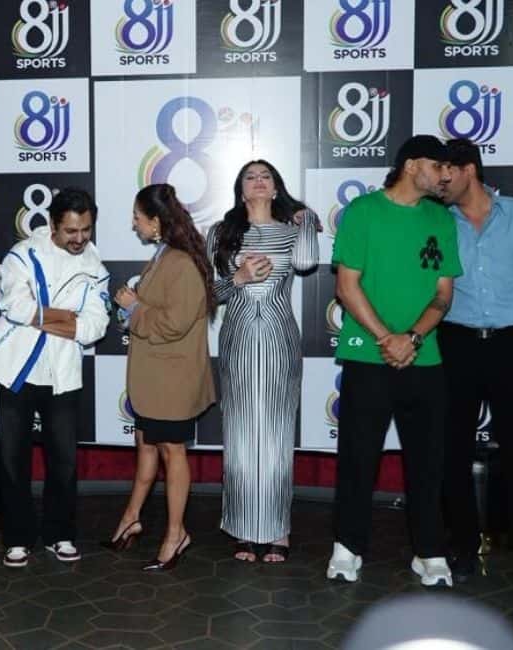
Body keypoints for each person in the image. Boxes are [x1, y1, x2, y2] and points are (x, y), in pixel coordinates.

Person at [326, 134, 460, 588]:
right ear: (410, 165)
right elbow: (347, 285)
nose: (446, 174)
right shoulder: (363, 211)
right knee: (358, 458)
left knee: (428, 461)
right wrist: (387, 338)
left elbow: (444, 292)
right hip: (368, 357)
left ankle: (429, 551)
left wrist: (413, 338)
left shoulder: (441, 217)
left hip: (425, 359)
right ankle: (347, 547)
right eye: (439, 165)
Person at [435, 139, 513, 587]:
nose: (439, 181)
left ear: (469, 169)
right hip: (455, 343)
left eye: (445, 172)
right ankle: (463, 550)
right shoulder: (436, 219)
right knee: (452, 450)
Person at [0, 188, 111, 568]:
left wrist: (47, 317)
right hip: (16, 371)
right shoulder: (22, 254)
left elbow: (96, 326)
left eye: (86, 229)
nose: (79, 238)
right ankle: (18, 538)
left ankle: (60, 534)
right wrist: (69, 319)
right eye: (71, 230)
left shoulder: (95, 265)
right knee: (11, 459)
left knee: (65, 462)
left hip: (63, 375)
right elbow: (15, 306)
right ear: (53, 225)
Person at [205, 160, 319, 564]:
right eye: (250, 177)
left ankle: (278, 531)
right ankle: (241, 527)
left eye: (265, 177)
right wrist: (237, 280)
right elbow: (207, 293)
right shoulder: (221, 233)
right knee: (238, 434)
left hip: (277, 340)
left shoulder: (291, 232)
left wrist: (308, 219)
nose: (257, 182)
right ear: (240, 189)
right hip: (237, 339)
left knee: (275, 434)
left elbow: (306, 262)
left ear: (275, 188)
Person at [103, 184, 216, 572]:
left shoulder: (181, 263)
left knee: (172, 452)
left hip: (172, 380)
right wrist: (133, 307)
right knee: (147, 447)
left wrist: (134, 308)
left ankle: (175, 535)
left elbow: (172, 323)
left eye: (137, 217)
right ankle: (131, 518)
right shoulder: (164, 256)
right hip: (156, 380)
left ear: (156, 220)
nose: (133, 224)